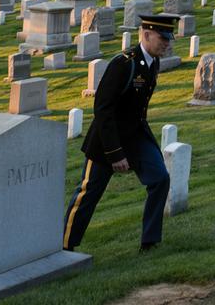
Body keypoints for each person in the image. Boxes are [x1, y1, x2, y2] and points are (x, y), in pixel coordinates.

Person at [62, 14, 177, 252]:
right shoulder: (123, 63)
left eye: (169, 38)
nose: (167, 43)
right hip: (107, 140)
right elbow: (103, 110)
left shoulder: (153, 63)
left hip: (136, 136)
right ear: (146, 35)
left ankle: (150, 241)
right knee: (89, 193)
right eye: (162, 38)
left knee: (160, 178)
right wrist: (115, 154)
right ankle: (64, 245)